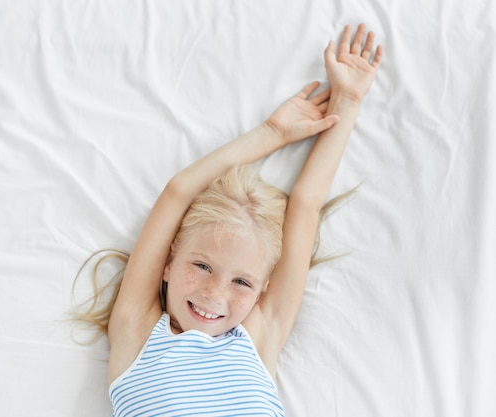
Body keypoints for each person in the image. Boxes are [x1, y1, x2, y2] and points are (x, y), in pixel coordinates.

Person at [75, 23, 383, 416]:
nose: (214, 294)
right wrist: (271, 132)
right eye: (201, 265)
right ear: (168, 263)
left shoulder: (258, 335)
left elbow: (306, 204)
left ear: (263, 289)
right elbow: (179, 190)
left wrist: (348, 99)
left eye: (241, 281)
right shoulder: (137, 331)